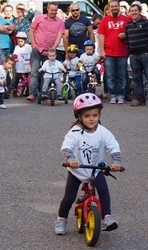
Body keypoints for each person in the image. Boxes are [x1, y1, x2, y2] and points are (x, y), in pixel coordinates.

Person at [55, 93, 122, 235]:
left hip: (95, 169)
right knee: (69, 198)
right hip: (77, 170)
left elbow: (113, 146)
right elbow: (67, 146)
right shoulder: (75, 132)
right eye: (87, 116)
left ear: (99, 115)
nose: (91, 119)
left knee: (103, 190)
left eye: (95, 115)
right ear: (79, 117)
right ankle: (61, 218)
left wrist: (116, 161)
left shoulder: (103, 132)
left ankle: (107, 216)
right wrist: (71, 159)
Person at [27, 2, 64, 102]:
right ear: (47, 9)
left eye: (55, 10)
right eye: (52, 10)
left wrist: (53, 48)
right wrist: (34, 44)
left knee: (48, 72)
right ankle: (32, 93)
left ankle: (45, 93)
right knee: (34, 72)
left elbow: (59, 36)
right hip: (37, 49)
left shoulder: (60, 22)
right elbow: (31, 31)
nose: (54, 12)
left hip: (49, 51)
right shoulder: (39, 18)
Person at [125, 3, 148, 107]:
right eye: (132, 11)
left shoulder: (146, 23)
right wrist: (129, 53)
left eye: (136, 10)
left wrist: (147, 51)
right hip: (134, 55)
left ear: (139, 12)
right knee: (136, 78)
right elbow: (127, 40)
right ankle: (140, 100)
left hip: (145, 54)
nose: (134, 12)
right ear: (130, 13)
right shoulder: (128, 25)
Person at [97, 0, 130, 104]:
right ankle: (113, 95)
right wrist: (102, 50)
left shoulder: (126, 19)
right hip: (109, 52)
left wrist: (126, 34)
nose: (114, 8)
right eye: (112, 6)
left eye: (116, 6)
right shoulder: (105, 20)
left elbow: (131, 32)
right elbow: (101, 36)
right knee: (110, 76)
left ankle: (121, 95)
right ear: (109, 8)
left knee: (122, 76)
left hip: (122, 52)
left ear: (119, 7)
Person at [11, 31, 32, 96]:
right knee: (17, 78)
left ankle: (28, 90)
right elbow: (15, 55)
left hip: (26, 66)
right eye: (19, 41)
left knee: (27, 79)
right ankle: (15, 89)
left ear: (25, 41)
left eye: (21, 41)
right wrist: (14, 58)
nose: (20, 43)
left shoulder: (28, 47)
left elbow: (31, 54)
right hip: (19, 66)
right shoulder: (17, 47)